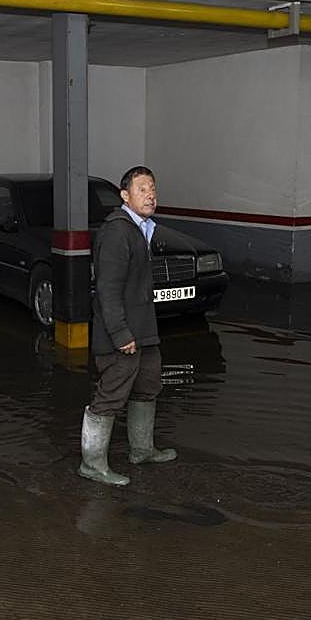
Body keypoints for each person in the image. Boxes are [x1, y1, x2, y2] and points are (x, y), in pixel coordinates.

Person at [80, 166, 177, 486]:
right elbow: (107, 289)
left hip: (144, 331)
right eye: (142, 189)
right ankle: (92, 465)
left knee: (148, 386)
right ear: (125, 196)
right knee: (110, 396)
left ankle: (142, 450)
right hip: (121, 335)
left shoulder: (140, 228)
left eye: (153, 188)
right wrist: (121, 333)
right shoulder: (117, 232)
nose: (150, 194)